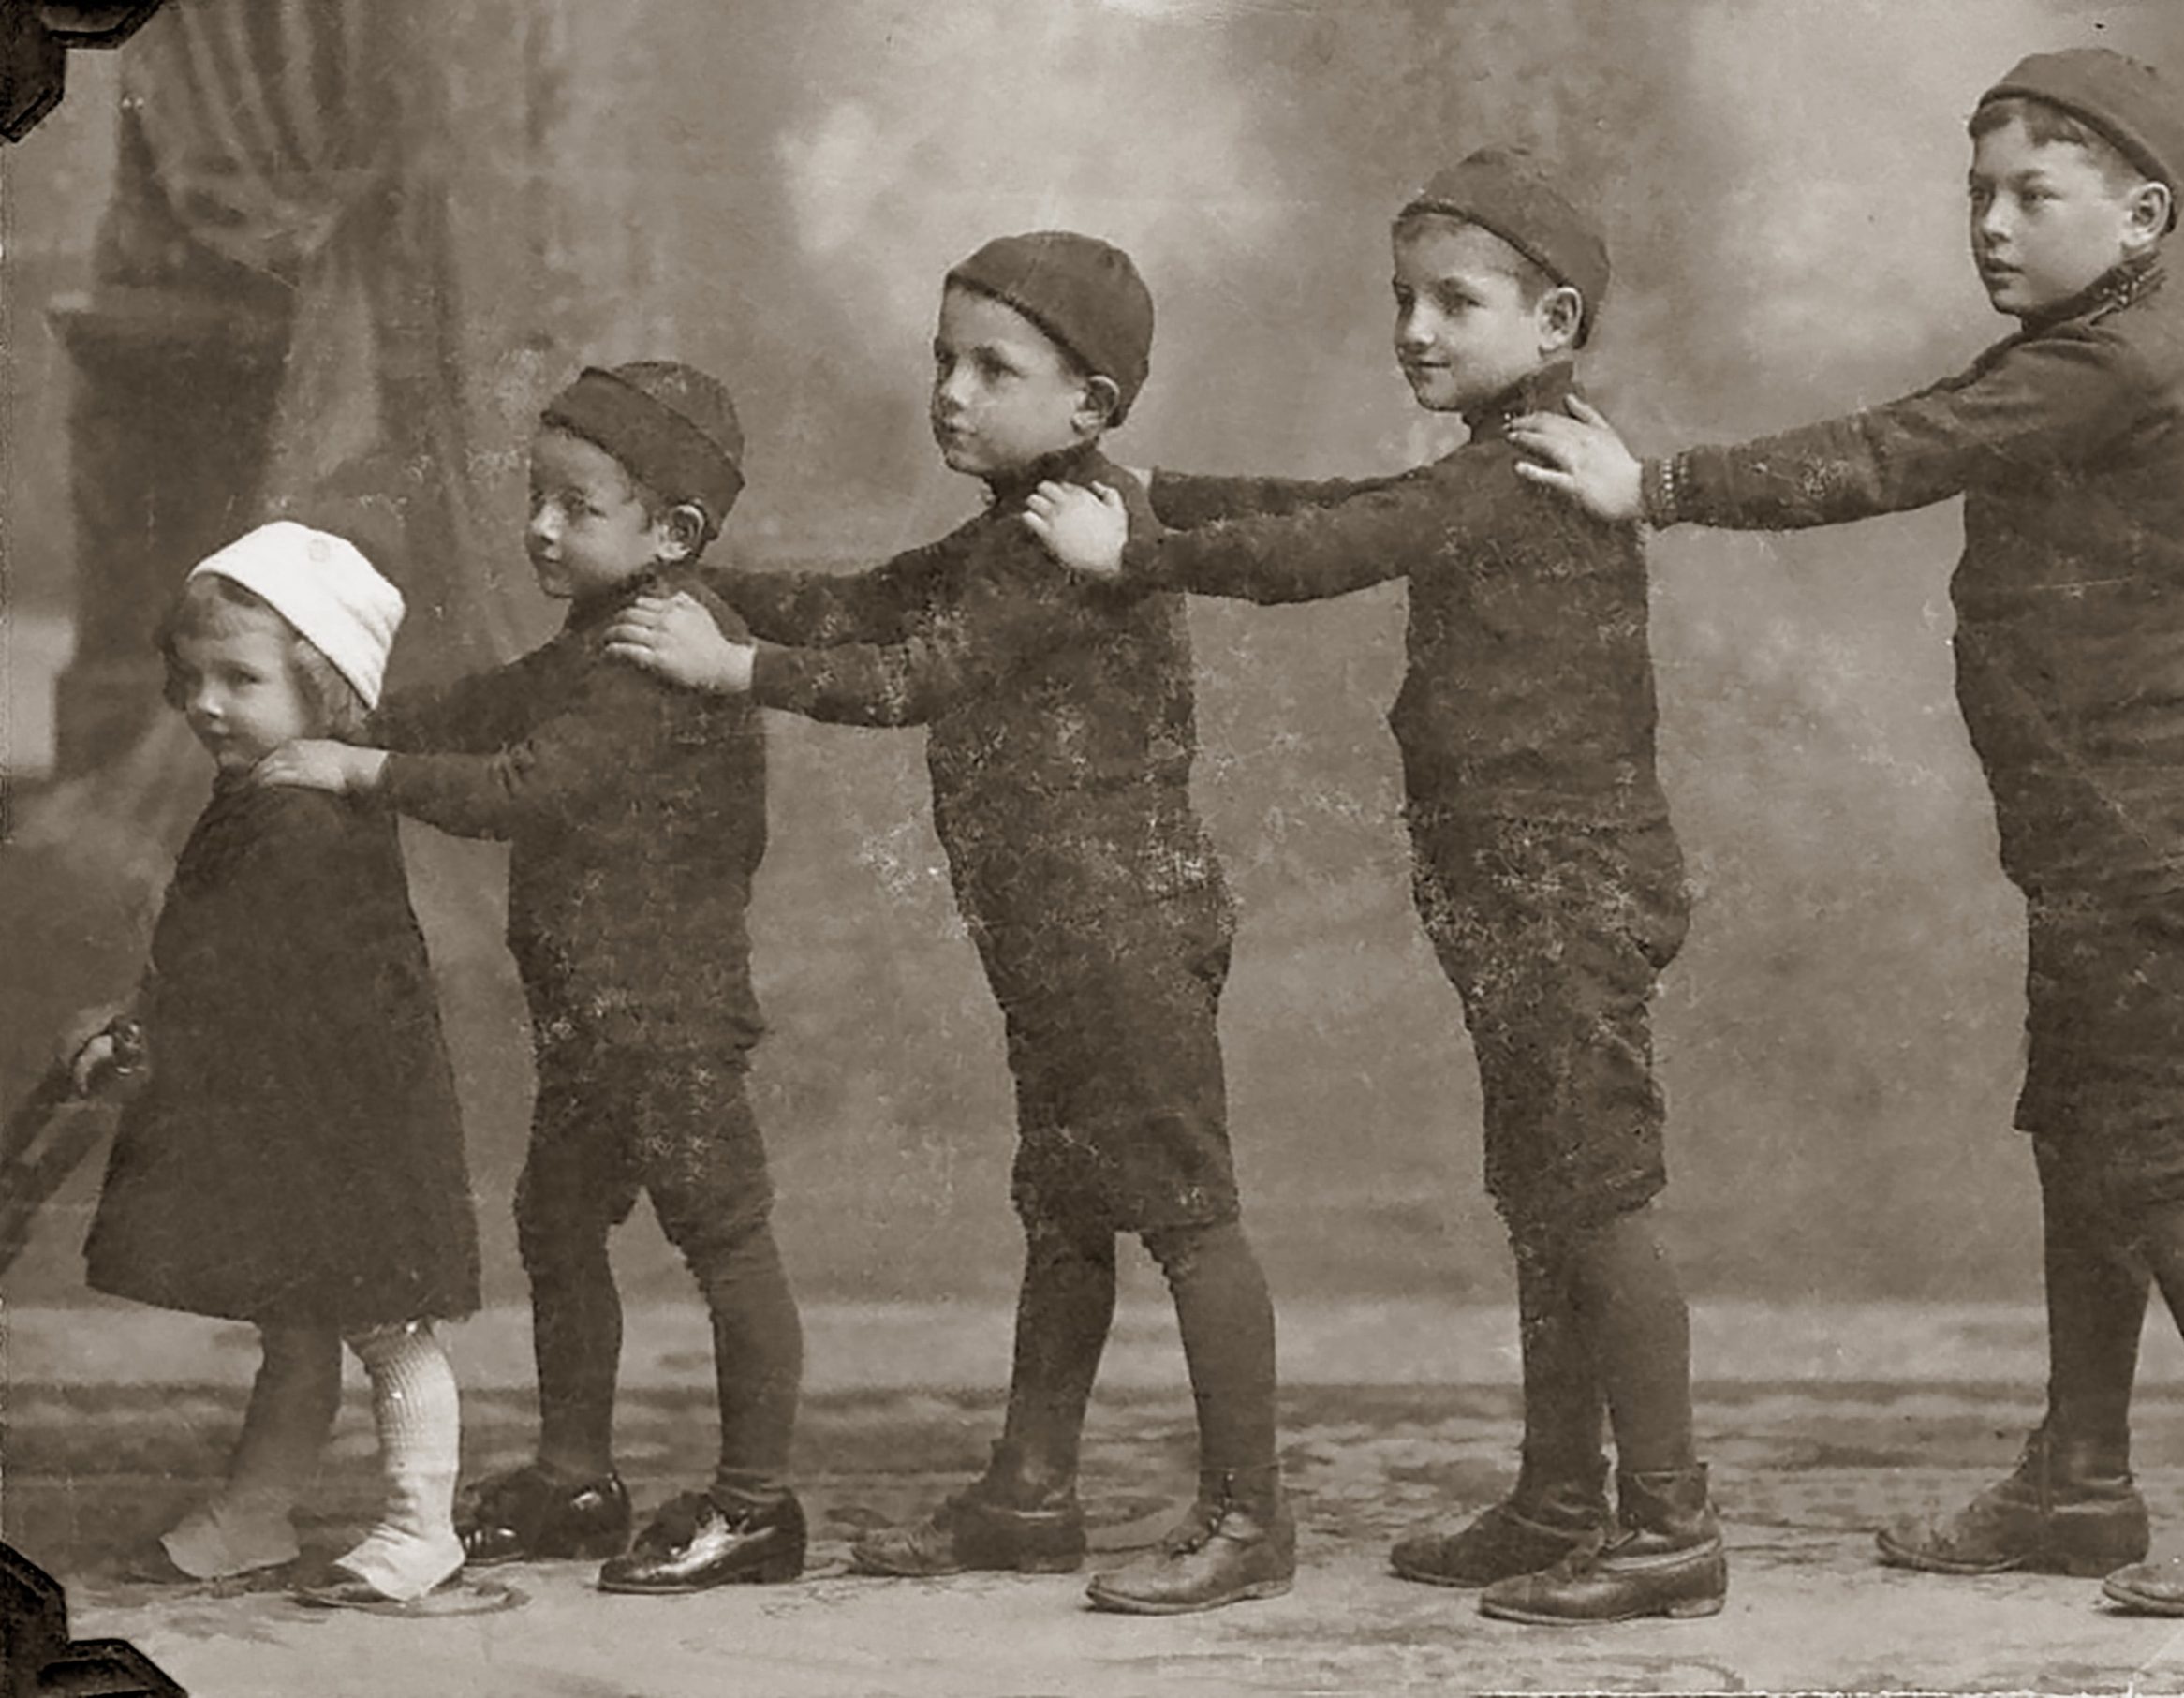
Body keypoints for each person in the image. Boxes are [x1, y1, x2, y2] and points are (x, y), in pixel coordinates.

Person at [1505, 50, 2184, 1617]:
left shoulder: (2115, 365)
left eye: (2036, 194)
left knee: (2154, 1163)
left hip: (2144, 840)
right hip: (2092, 837)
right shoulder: (2068, 350)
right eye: (1977, 191)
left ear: (2142, 213)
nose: (1992, 223)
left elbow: (1896, 448)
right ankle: (2082, 1479)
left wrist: (1662, 485)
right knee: (2082, 1142)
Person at [1023, 151, 1720, 1628]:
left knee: (1593, 1201)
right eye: (1403, 298)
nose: (1413, 328)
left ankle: (1670, 1527)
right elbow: (1355, 501)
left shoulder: (1523, 467)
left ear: (1556, 322)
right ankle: (1559, 1497)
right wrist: (1176, 490)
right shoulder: (1508, 452)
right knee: (1548, 1199)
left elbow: (1335, 547)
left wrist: (1135, 550)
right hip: (1520, 886)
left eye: (1454, 302)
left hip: (1561, 889)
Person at [600, 232, 1291, 1616]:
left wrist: (730, 663)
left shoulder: (1073, 539)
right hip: (1053, 932)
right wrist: (714, 583)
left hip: (1122, 928)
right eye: (944, 360)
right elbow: (872, 602)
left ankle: (1248, 1519)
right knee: (1068, 1209)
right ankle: (1030, 1495)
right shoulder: (1010, 529)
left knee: (1189, 1215)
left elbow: (921, 672)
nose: (952, 393)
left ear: (1092, 407)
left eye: (994, 367)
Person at [255, 363, 810, 1596]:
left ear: (672, 534)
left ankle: (760, 1505)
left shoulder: (661, 656)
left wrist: (358, 774)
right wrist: (364, 725)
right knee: (557, 1229)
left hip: (668, 1021)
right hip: (592, 1019)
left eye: (576, 505)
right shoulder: (595, 639)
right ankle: (576, 1474)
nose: (539, 527)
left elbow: (526, 785)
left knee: (725, 1242)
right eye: (533, 496)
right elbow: (494, 704)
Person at [74, 522, 479, 1608]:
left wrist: (166, 1036)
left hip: (352, 1116)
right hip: (294, 1112)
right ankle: (256, 1512)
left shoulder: (303, 816)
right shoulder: (257, 794)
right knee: (294, 1323)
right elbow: (205, 954)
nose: (205, 701)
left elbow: (260, 974)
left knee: (390, 1328)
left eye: (240, 678)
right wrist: (145, 1021)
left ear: (325, 691)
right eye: (192, 675)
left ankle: (420, 1524)